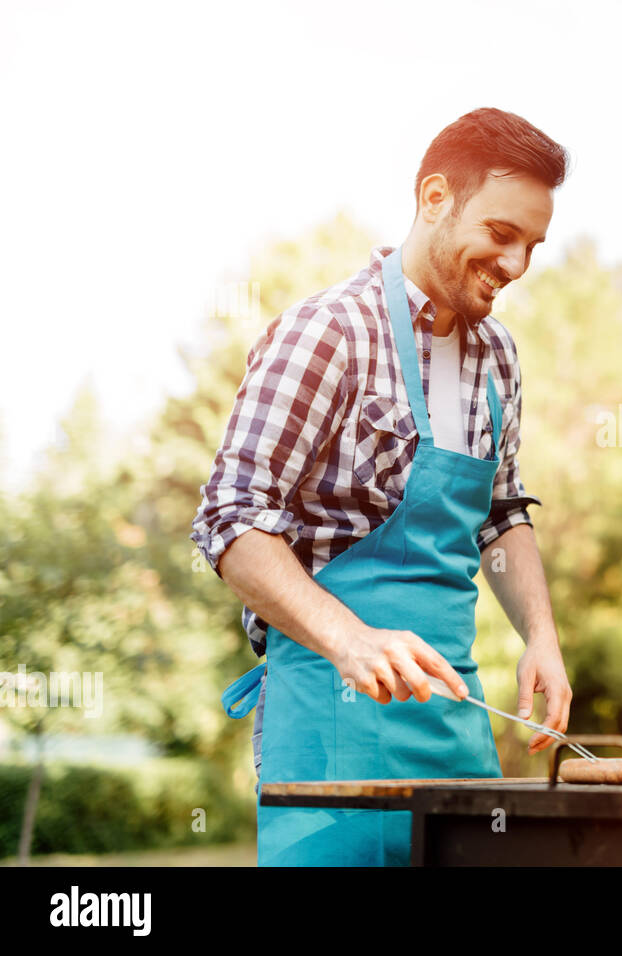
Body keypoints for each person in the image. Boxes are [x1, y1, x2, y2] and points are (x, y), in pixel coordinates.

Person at [192, 107, 572, 866]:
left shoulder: (498, 356)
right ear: (435, 198)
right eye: (501, 235)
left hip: (453, 722)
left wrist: (541, 634)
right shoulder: (327, 332)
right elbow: (231, 523)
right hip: (330, 726)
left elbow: (498, 515)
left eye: (532, 245)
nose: (517, 264)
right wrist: (349, 640)